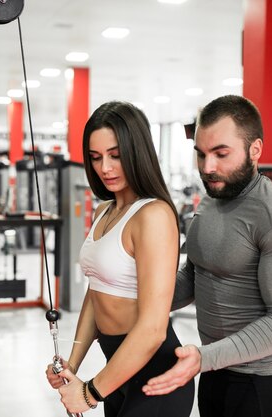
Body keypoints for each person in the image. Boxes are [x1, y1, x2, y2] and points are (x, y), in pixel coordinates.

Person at [142, 95, 272, 417]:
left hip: (265, 383)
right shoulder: (212, 198)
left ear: (255, 149)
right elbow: (196, 276)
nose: (208, 168)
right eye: (201, 155)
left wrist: (205, 357)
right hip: (216, 372)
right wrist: (134, 300)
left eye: (221, 154)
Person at [45, 101, 194, 416]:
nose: (105, 168)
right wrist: (73, 363)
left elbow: (153, 328)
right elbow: (95, 293)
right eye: (96, 158)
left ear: (137, 152)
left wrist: (90, 393)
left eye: (116, 155)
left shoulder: (153, 214)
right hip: (118, 370)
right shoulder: (104, 210)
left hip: (156, 375)